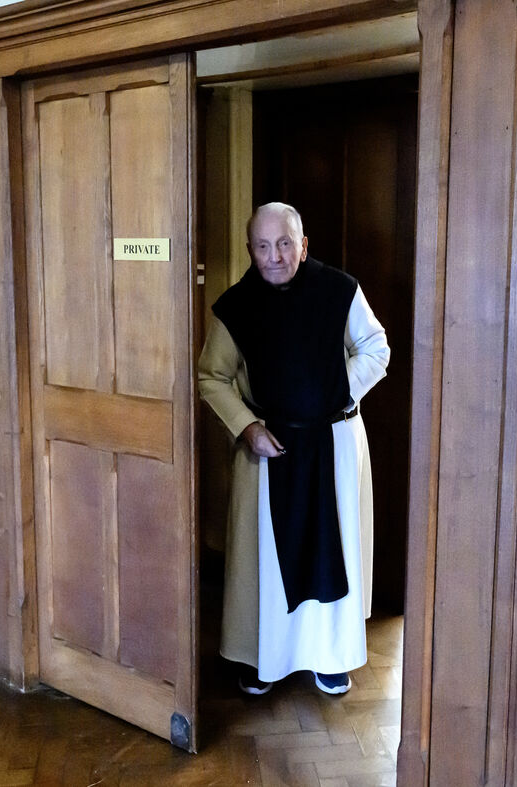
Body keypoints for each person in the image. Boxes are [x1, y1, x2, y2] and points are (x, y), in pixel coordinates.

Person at [198, 202, 389, 696]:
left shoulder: (340, 291)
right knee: (265, 559)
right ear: (250, 251)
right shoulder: (236, 306)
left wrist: (335, 392)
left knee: (334, 551)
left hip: (333, 443)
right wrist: (247, 428)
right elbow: (211, 376)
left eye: (284, 244)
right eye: (262, 246)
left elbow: (376, 348)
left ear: (303, 246)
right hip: (269, 449)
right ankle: (262, 655)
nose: (274, 256)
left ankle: (331, 657)